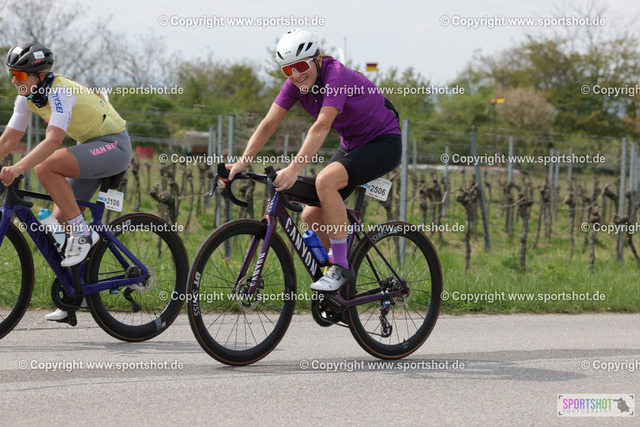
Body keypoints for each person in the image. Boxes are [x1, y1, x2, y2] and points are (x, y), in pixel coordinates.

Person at [225, 29, 402, 292]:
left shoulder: (336, 75)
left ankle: (341, 267)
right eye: (288, 70)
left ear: (317, 59)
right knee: (310, 214)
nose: (296, 75)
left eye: (300, 66)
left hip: (383, 142)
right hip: (351, 145)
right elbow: (268, 123)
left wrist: (294, 169)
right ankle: (340, 286)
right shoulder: (294, 85)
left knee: (325, 181)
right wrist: (242, 162)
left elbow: (322, 126)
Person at [1, 42, 132, 320]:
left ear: (40, 75)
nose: (14, 80)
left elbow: (54, 141)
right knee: (58, 226)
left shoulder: (59, 91)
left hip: (114, 145)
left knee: (46, 167)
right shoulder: (27, 98)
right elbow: (8, 140)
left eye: (20, 75)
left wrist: (18, 167)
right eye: (11, 74)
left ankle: (83, 233)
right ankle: (79, 291)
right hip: (91, 147)